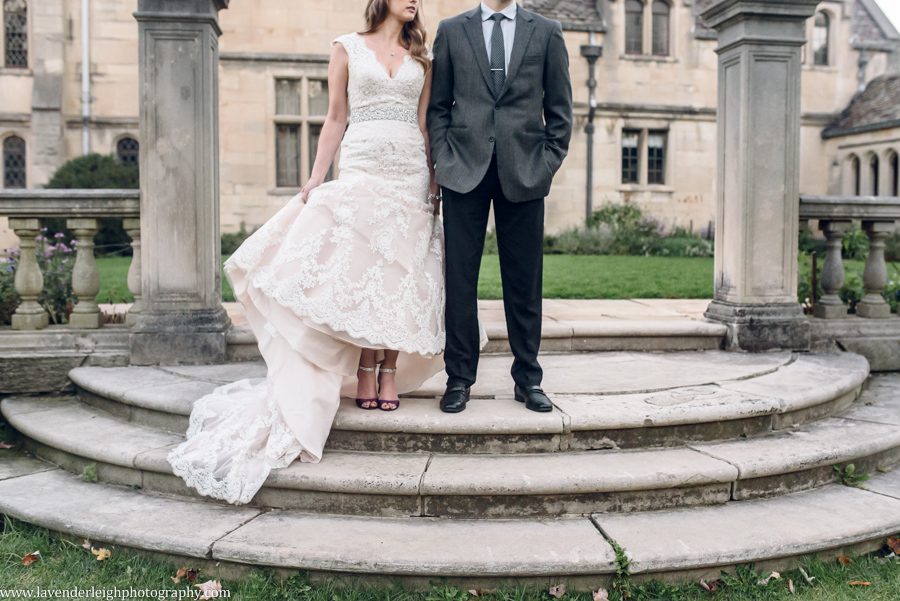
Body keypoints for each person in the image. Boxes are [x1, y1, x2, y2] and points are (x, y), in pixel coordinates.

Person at [166, 0, 449, 505]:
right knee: (364, 265)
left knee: (397, 273)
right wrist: (317, 178)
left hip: (409, 170)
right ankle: (365, 367)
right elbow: (335, 118)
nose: (415, 0)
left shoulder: (421, 60)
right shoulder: (345, 48)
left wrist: (433, 182)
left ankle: (388, 369)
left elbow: (425, 125)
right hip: (362, 165)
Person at [427, 1, 573, 414]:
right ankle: (459, 379)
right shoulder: (452, 30)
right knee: (459, 281)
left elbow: (560, 112)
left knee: (524, 283)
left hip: (524, 172)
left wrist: (546, 163)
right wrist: (443, 157)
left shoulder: (546, 31)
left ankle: (528, 379)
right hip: (463, 171)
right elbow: (438, 106)